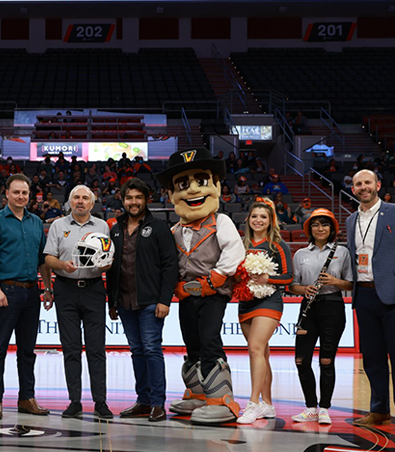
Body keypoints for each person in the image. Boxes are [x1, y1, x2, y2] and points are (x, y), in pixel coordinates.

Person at [156, 148, 245, 424]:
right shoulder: (174, 230)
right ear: (172, 193)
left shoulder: (221, 222)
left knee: (209, 340)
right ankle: (198, 393)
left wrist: (217, 276)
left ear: (215, 185)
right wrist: (175, 287)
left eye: (201, 181)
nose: (192, 190)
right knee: (191, 342)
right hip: (187, 296)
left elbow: (235, 250)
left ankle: (221, 398)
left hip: (213, 294)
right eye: (183, 184)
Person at [347, 170, 395, 433]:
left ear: (378, 185)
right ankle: (379, 410)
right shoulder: (351, 219)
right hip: (365, 295)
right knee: (372, 358)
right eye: (358, 184)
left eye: (367, 182)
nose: (363, 187)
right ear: (353, 188)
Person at [0, 174, 53, 421]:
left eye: (25, 193)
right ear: (7, 194)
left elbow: (43, 259)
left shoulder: (35, 222)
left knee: (28, 350)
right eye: (16, 192)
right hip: (6, 292)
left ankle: (26, 398)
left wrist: (47, 288)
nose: (21, 196)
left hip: (32, 291)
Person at [107, 178, 177, 422]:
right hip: (124, 302)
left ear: (147, 199)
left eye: (138, 197)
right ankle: (143, 401)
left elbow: (170, 266)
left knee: (151, 350)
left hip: (150, 301)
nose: (133, 202)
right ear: (123, 200)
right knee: (137, 351)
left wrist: (165, 300)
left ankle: (158, 403)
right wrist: (111, 301)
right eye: (129, 198)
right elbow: (111, 267)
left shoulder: (158, 228)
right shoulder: (115, 228)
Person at [44, 185, 112, 420]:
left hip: (94, 289)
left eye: (85, 198)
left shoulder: (102, 226)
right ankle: (75, 401)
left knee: (97, 349)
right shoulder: (58, 225)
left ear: (92, 204)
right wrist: (62, 265)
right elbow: (49, 258)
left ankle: (100, 402)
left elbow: (108, 259)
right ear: (69, 202)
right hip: (66, 290)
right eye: (76, 197)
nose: (80, 201)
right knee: (70, 349)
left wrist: (106, 265)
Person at [288, 209, 353, 424]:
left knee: (326, 360)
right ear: (310, 229)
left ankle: (324, 407)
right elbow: (293, 285)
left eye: (325, 224)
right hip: (309, 306)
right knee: (301, 360)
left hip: (333, 306)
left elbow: (352, 284)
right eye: (315, 225)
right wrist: (304, 289)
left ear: (332, 228)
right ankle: (310, 407)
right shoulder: (300, 254)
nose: (320, 228)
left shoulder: (342, 252)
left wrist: (335, 282)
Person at [236, 198, 293, 424]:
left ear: (270, 222)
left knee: (255, 348)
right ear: (248, 219)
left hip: (269, 301)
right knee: (262, 353)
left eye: (263, 217)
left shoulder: (278, 245)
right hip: (245, 302)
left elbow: (289, 278)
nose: (258, 220)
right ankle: (267, 404)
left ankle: (253, 403)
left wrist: (267, 278)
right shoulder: (240, 244)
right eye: (255, 216)